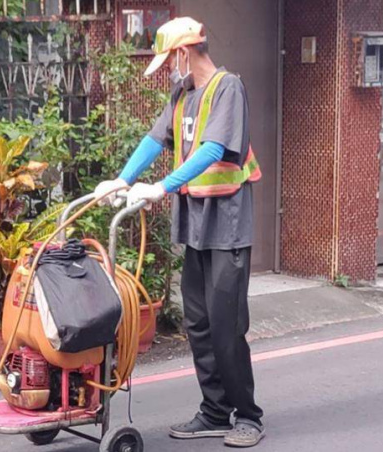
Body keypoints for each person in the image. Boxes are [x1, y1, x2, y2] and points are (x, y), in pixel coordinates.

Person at [94, 17, 265, 448]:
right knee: (198, 323)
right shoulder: (182, 92)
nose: (169, 70)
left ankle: (247, 416)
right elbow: (156, 138)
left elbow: (212, 149)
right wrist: (123, 179)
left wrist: (162, 186)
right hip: (196, 225)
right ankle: (213, 410)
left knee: (227, 326)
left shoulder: (228, 89)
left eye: (170, 60)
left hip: (227, 224)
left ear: (184, 53)